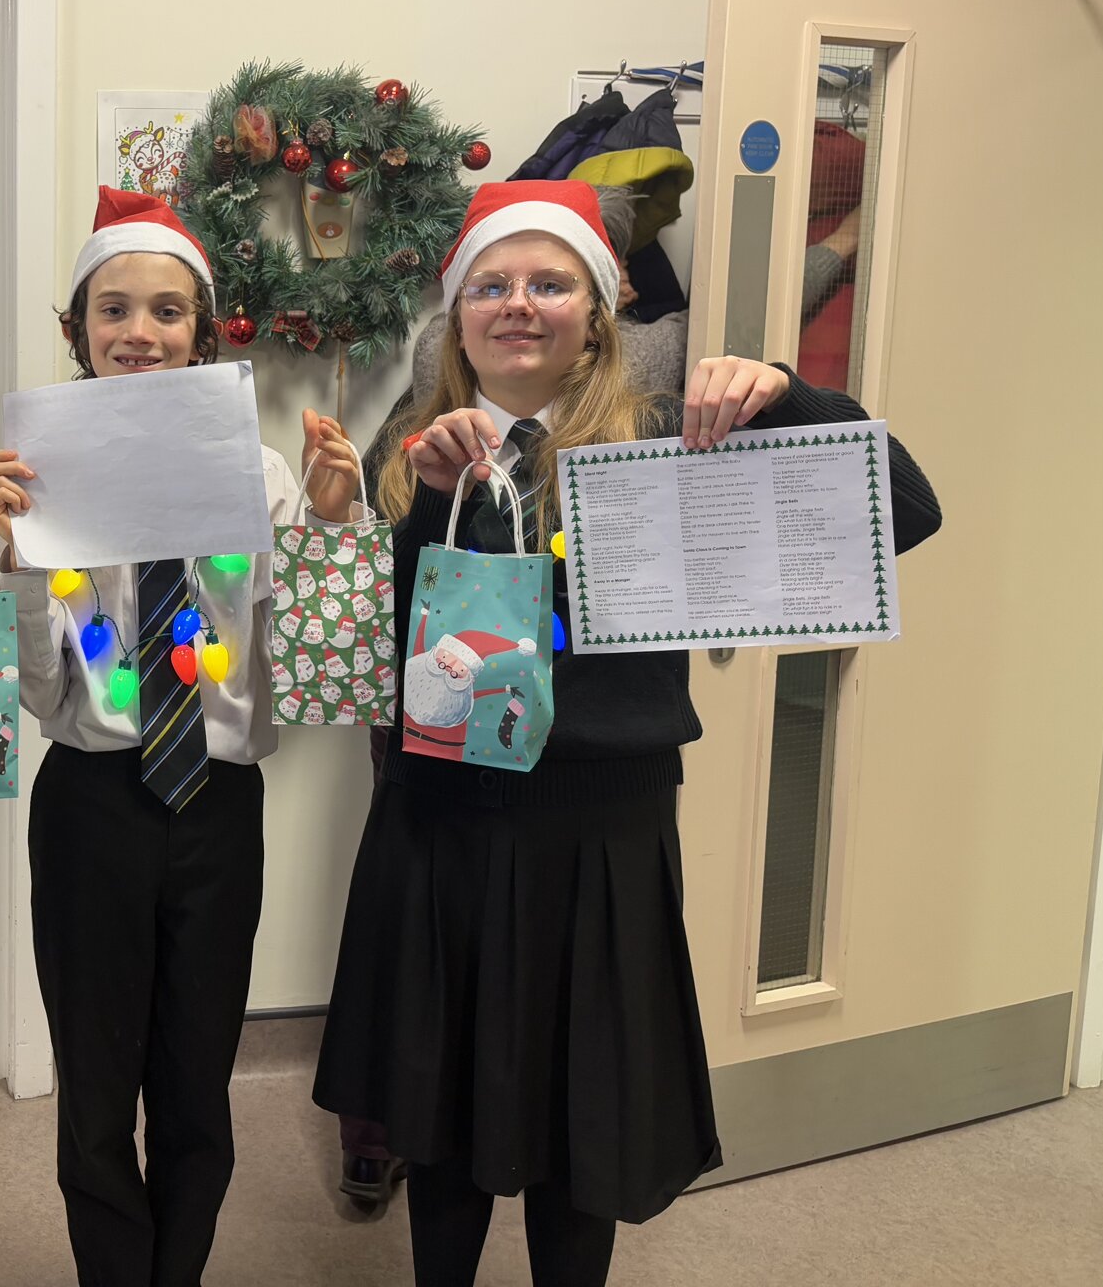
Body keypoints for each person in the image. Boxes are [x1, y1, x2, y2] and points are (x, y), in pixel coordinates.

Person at [313, 180, 941, 1286]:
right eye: (490, 287)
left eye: (548, 284)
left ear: (596, 313)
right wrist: (396, 508)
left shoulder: (668, 445)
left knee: (580, 1114)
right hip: (441, 825)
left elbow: (903, 507)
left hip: (598, 830)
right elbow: (364, 653)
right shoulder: (408, 460)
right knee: (441, 1107)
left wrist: (784, 393)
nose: (517, 306)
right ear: (454, 321)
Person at [0, 187, 359, 1286]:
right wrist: (9, 563)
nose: (137, 333)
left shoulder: (263, 475)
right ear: (77, 331)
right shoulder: (40, 473)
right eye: (111, 311)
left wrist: (329, 529)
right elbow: (40, 682)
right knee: (94, 1090)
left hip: (214, 807)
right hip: (92, 800)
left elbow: (306, 664)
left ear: (202, 330)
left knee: (196, 1085)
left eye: (164, 312)